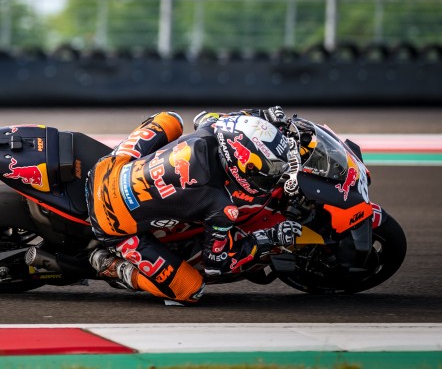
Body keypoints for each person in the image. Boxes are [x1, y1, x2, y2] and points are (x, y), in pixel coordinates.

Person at [86, 106, 312, 304]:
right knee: (190, 290)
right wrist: (269, 237)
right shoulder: (221, 206)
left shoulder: (211, 127)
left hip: (109, 167)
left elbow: (225, 118)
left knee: (171, 118)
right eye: (267, 172)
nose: (271, 178)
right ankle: (115, 268)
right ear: (241, 166)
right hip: (112, 223)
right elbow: (217, 264)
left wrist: (264, 117)